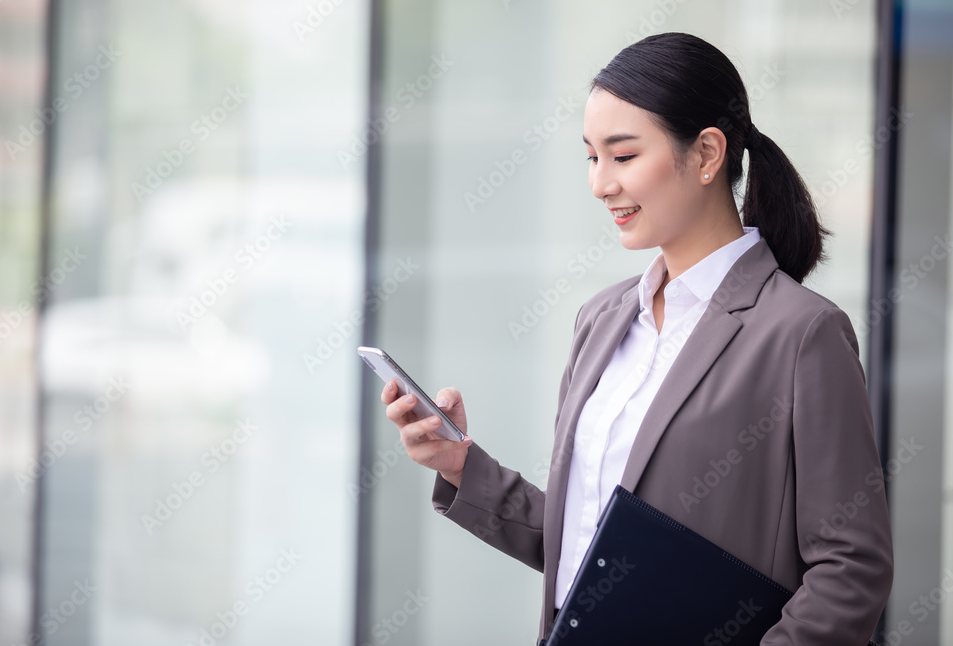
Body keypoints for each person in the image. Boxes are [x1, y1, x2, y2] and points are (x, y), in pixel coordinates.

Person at [379, 32, 893, 646]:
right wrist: (462, 466)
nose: (600, 184)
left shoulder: (802, 333)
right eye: (591, 157)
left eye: (622, 156)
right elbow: (591, 542)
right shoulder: (602, 319)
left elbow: (851, 568)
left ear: (706, 154)